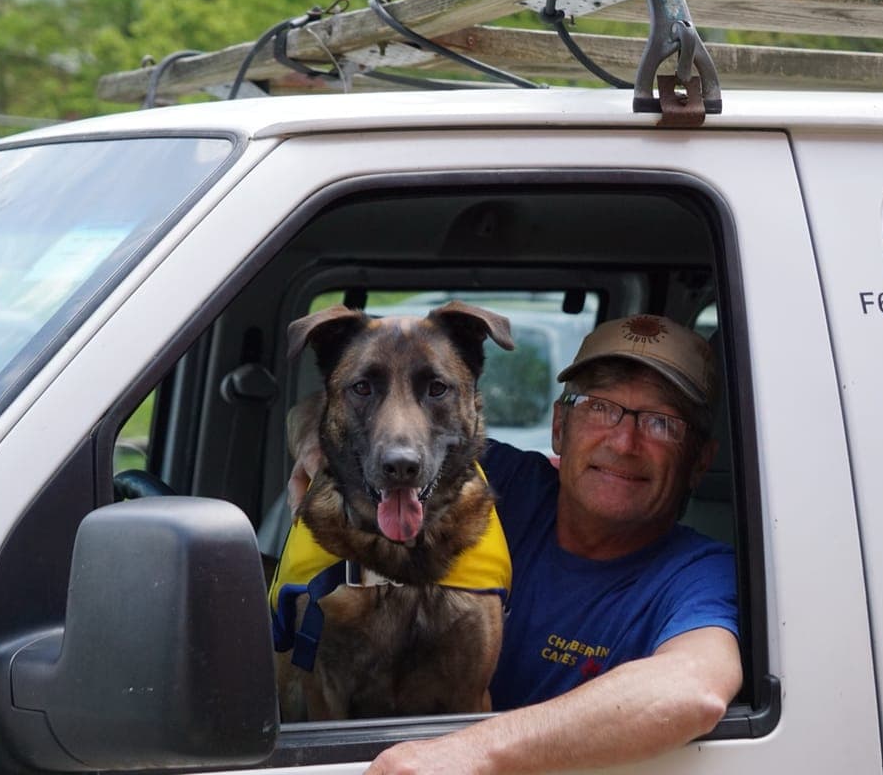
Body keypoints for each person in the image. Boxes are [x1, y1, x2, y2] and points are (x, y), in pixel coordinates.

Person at [292, 313, 742, 775]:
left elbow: (692, 689)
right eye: (599, 407)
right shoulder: (489, 485)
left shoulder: (700, 574)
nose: (624, 441)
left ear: (699, 461)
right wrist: (314, 443)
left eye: (661, 423)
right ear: (559, 426)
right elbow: (351, 406)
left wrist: (471, 752)